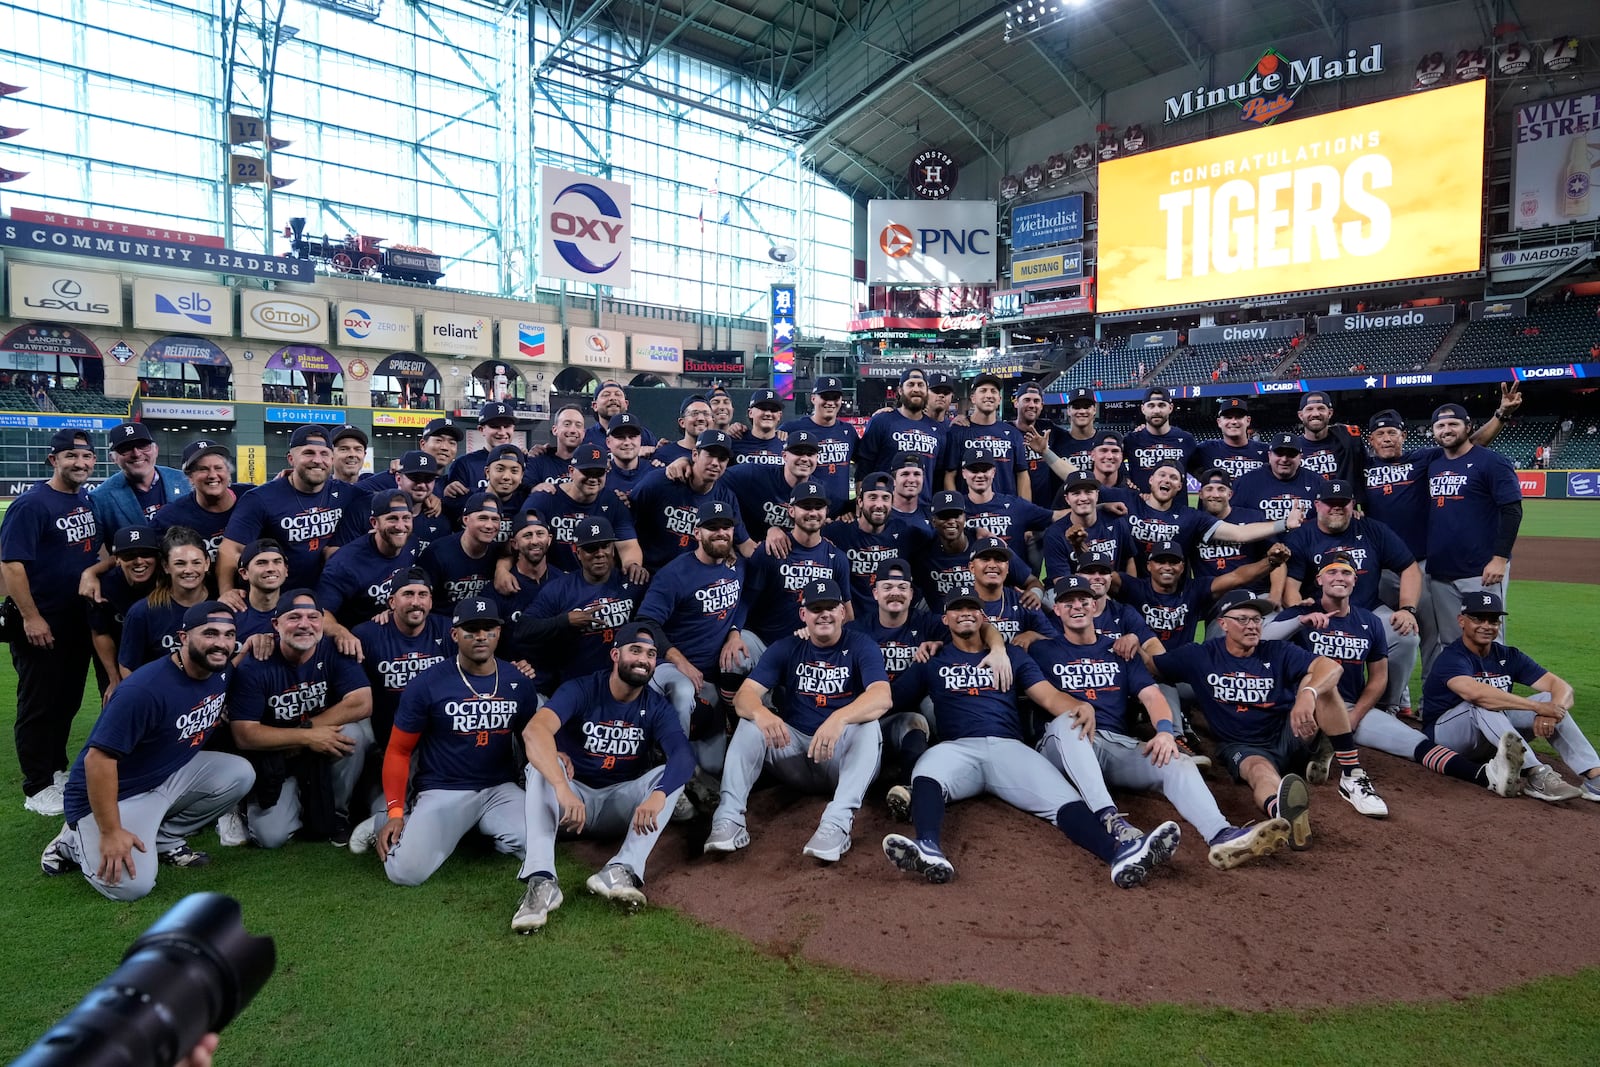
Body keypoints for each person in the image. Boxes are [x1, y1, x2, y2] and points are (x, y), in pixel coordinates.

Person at [880, 584, 1181, 887]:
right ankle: (928, 847)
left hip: (1010, 749)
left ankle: (1119, 854)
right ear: (945, 619)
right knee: (926, 773)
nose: (965, 614)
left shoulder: (1011, 655)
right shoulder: (932, 660)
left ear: (983, 616)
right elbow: (891, 699)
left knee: (1065, 800)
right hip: (958, 749)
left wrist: (1078, 705)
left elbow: (1048, 697)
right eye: (956, 609)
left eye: (971, 608)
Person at [1031, 576, 1290, 870]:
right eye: (1068, 602)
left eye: (1083, 600)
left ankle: (1221, 833)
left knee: (1177, 762)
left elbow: (1153, 696)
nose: (1076, 606)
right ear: (1057, 610)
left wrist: (1166, 733)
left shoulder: (1119, 651)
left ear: (1094, 606)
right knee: (1069, 721)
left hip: (1112, 744)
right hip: (1062, 746)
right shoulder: (1042, 650)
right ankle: (1110, 821)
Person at [40, 602, 256, 901]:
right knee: (131, 886)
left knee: (239, 773)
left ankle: (165, 838)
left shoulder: (219, 670)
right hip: (113, 794)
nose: (221, 643)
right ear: (183, 638)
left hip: (162, 777)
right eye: (210, 633)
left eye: (229, 634)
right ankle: (71, 842)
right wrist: (111, 831)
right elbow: (97, 760)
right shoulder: (145, 689)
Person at [1266, 556, 1523, 799]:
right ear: (1319, 579)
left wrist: (1353, 718)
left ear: (1355, 580)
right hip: (1304, 707)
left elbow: (1378, 678)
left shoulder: (1369, 621)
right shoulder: (1300, 613)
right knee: (1286, 758)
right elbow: (1263, 640)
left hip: (1348, 709)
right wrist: (1300, 621)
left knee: (1415, 742)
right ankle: (1316, 751)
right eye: (1331, 572)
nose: (1339, 578)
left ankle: (1485, 776)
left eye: (1346, 573)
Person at [1152, 590, 1389, 853]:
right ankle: (1285, 815)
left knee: (1322, 685)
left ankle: (1352, 774)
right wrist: (1130, 641)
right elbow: (1152, 667)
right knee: (1259, 772)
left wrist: (1308, 695)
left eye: (1256, 620)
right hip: (1243, 746)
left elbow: (1332, 666)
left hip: (1291, 731)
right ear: (1223, 624)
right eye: (1242, 619)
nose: (1252, 626)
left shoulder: (1277, 650)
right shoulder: (1199, 655)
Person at [513, 621, 692, 930]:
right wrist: (562, 786)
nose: (643, 660)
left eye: (650, 654)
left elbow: (683, 756)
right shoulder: (582, 688)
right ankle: (541, 882)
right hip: (570, 805)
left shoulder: (656, 706)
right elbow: (534, 731)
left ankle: (621, 869)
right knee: (540, 769)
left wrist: (659, 794)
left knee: (667, 776)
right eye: (635, 651)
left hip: (618, 804)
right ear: (615, 655)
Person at [705, 578, 891, 861]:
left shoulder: (860, 645)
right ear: (804, 615)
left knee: (868, 727)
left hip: (839, 758)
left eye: (831, 607)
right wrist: (762, 713)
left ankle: (836, 824)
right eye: (816, 608)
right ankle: (729, 818)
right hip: (796, 756)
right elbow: (744, 696)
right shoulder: (787, 646)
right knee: (750, 722)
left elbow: (881, 696)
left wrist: (839, 718)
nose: (824, 614)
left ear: (843, 612)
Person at [351, 597, 534, 885]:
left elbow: (530, 742)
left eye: (489, 629)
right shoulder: (428, 683)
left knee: (537, 841)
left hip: (500, 788)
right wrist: (395, 812)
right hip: (444, 789)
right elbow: (399, 751)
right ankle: (383, 823)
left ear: (499, 633)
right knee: (405, 873)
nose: (481, 636)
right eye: (471, 629)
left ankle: (472, 830)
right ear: (454, 635)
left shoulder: (518, 682)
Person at [1, 427, 101, 816]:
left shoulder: (86, 500)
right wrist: (31, 617)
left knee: (66, 701)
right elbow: (11, 565)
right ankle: (36, 784)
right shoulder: (32, 505)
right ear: (53, 460)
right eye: (71, 457)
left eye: (86, 457)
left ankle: (55, 769)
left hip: (76, 622)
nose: (80, 463)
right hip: (42, 623)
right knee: (39, 704)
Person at [1421, 590, 1600, 803]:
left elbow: (1561, 686)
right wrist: (1536, 708)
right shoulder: (1452, 657)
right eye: (1478, 618)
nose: (1487, 626)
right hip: (1447, 738)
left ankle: (1594, 776)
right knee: (1483, 704)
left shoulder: (1508, 655)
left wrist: (1551, 711)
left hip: (1492, 734)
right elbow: (1475, 693)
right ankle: (1536, 774)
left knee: (1548, 699)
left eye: (1493, 620)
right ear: (1462, 621)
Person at [228, 589, 373, 847]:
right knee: (270, 837)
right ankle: (246, 804)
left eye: (313, 617)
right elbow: (244, 734)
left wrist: (309, 731)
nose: (305, 625)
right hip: (275, 754)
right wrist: (305, 737)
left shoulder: (333, 649)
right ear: (276, 624)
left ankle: (338, 812)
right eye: (294, 617)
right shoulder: (256, 663)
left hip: (314, 744)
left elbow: (362, 702)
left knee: (354, 735)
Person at [1282, 479, 1422, 715]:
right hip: (1320, 614)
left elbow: (1409, 567)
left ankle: (1387, 705)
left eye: (1343, 503)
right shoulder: (1302, 536)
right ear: (1317, 505)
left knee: (1405, 635)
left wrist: (1407, 609)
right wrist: (1300, 611)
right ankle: (1295, 704)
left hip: (1367, 610)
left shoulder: (1372, 530)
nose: (1336, 507)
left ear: (1353, 505)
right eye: (1330, 503)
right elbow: (1291, 586)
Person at [637, 501, 752, 777]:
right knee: (683, 691)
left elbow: (745, 600)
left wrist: (735, 631)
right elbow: (646, 622)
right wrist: (680, 661)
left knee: (714, 766)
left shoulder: (737, 565)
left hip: (708, 677)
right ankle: (669, 774)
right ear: (697, 532)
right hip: (671, 668)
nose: (721, 532)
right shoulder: (674, 574)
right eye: (712, 527)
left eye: (726, 527)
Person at [1420, 403, 1523, 674]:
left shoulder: (1492, 462)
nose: (1446, 430)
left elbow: (1512, 511)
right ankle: (1455, 703)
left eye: (1453, 424)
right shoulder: (1433, 462)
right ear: (1433, 432)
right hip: (1441, 572)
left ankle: (1492, 702)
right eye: (1440, 426)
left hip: (1482, 570)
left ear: (1468, 427)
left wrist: (1500, 559)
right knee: (1450, 641)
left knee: (1487, 639)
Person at [515, 516, 644, 696]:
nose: (599, 553)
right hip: (578, 685)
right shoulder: (560, 588)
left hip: (625, 683)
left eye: (605, 546)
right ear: (578, 552)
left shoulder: (633, 581)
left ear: (613, 549)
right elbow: (522, 629)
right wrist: (564, 621)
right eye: (591, 548)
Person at [218, 425, 351, 595]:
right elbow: (231, 549)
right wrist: (226, 592)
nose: (317, 460)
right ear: (291, 459)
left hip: (323, 595)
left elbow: (382, 498)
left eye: (324, 454)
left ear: (332, 460)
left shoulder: (346, 493)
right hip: (274, 598)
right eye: (308, 453)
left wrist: (394, 467)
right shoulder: (261, 498)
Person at [740, 481, 852, 661]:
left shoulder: (837, 558)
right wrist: (733, 634)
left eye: (818, 507)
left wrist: (820, 629)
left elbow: (847, 614)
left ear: (826, 512)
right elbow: (745, 599)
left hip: (809, 648)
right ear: (792, 511)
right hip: (764, 642)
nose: (813, 512)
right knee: (736, 657)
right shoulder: (770, 550)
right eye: (806, 507)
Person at [350, 566, 452, 751]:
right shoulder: (366, 635)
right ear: (392, 602)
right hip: (386, 736)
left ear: (430, 601)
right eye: (408, 594)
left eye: (423, 594)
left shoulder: (449, 631)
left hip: (437, 736)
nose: (416, 602)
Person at [629, 429, 755, 573]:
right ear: (695, 455)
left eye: (722, 458)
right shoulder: (659, 481)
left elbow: (744, 544)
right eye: (710, 455)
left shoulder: (726, 497)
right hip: (651, 572)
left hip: (694, 578)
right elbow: (626, 519)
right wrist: (632, 562)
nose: (715, 463)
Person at [315, 489, 419, 644]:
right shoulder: (345, 562)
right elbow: (319, 612)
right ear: (374, 523)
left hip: (397, 631)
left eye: (406, 518)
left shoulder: (410, 542)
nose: (400, 526)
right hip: (358, 638)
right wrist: (340, 632)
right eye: (392, 519)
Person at [525, 442, 642, 575]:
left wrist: (632, 565)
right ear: (571, 471)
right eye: (587, 472)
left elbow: (628, 545)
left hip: (596, 582)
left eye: (599, 473)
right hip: (552, 580)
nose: (593, 479)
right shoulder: (544, 498)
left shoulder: (613, 502)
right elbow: (523, 540)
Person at [912, 490, 1038, 612]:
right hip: (943, 625)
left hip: (988, 620)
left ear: (964, 518)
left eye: (956, 515)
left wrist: (1035, 593)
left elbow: (1033, 581)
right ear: (933, 521)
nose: (951, 521)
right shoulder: (924, 553)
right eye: (944, 516)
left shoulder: (987, 544)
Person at [118, 526, 212, 675]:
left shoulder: (222, 603)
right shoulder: (142, 612)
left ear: (207, 563)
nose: (189, 570)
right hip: (160, 695)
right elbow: (128, 667)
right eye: (180, 563)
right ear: (166, 566)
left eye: (196, 562)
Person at [823, 471, 916, 616]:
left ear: (892, 502)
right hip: (852, 622)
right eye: (872, 497)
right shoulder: (838, 531)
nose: (879, 505)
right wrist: (774, 530)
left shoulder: (906, 532)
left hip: (890, 622)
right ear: (860, 502)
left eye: (885, 498)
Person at [89, 526, 161, 702]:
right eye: (129, 555)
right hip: (117, 657)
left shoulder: (167, 582)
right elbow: (100, 632)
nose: (139, 561)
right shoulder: (103, 587)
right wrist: (114, 678)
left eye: (146, 554)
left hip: (158, 659)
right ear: (117, 559)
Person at [854, 367, 946, 504]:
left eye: (921, 385)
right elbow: (864, 468)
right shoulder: (881, 421)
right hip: (885, 510)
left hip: (923, 511)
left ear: (927, 391)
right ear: (900, 390)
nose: (916, 389)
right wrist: (861, 504)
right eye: (910, 384)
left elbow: (939, 476)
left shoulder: (938, 430)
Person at [150, 440, 251, 561]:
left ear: (228, 473)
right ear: (190, 477)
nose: (212, 475)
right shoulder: (170, 517)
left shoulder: (251, 498)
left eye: (218, 468)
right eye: (203, 469)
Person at [89, 422, 185, 542]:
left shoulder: (184, 480)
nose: (136, 454)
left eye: (143, 446)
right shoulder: (100, 498)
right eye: (126, 449)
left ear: (156, 449)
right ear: (112, 458)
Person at [940, 373, 1030, 498]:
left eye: (993, 391)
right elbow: (949, 476)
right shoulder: (957, 431)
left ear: (999, 399)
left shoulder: (1013, 434)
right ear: (973, 398)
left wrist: (1024, 512)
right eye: (983, 391)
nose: (988, 395)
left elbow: (1022, 475)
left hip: (1007, 512)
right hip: (970, 512)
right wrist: (957, 511)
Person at [416, 492, 505, 614]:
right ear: (465, 520)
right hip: (443, 622)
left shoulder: (499, 553)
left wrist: (503, 568)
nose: (489, 525)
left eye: (495, 519)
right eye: (482, 518)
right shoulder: (437, 553)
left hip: (482, 623)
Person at [779, 377, 856, 508]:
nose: (830, 402)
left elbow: (865, 461)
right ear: (813, 398)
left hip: (840, 512)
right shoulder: (792, 429)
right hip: (808, 508)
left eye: (835, 397)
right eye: (825, 397)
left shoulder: (848, 431)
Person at [1232, 434, 1322, 521]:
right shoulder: (1246, 482)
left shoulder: (1317, 482)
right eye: (1279, 453)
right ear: (1269, 455)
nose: (1284, 459)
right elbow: (1233, 517)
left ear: (1300, 457)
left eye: (1291, 454)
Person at [1121, 387, 1197, 491]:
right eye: (1151, 406)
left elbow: (1200, 471)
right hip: (1139, 505)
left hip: (1177, 506)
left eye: (1161, 405)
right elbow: (1114, 463)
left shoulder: (1186, 440)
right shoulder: (1131, 440)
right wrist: (1125, 478)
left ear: (1170, 408)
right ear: (1143, 409)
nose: (1156, 411)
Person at [441, 401, 520, 497]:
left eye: (507, 426)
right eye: (495, 426)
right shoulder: (464, 464)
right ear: (481, 429)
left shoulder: (525, 461)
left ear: (513, 429)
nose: (502, 432)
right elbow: (456, 502)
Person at [1292, 391, 1365, 490]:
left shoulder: (1348, 439)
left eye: (1321, 408)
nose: (1316, 414)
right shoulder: (1292, 449)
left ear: (1330, 413)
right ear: (1300, 415)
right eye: (1309, 409)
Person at [1191, 398, 1268, 480]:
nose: (1234, 421)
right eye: (1228, 417)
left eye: (1239, 417)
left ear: (1248, 421)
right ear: (1219, 422)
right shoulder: (1206, 449)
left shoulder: (1265, 451)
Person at [583, 380, 657, 454]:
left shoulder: (644, 435)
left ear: (626, 404)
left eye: (618, 394)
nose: (613, 398)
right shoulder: (585, 437)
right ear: (594, 406)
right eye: (606, 395)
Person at [524, 404, 586, 487]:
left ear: (584, 433)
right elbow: (526, 492)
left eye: (578, 425)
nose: (573, 430)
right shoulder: (538, 461)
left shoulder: (590, 464)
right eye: (567, 424)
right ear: (555, 430)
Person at [653, 394, 714, 469]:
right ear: (682, 422)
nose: (701, 418)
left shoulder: (721, 454)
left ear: (713, 421)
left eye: (706, 414)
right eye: (694, 414)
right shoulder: (664, 453)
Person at [731, 388, 786, 465]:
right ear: (750, 413)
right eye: (763, 408)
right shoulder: (735, 441)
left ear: (779, 416)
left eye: (773, 410)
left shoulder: (788, 446)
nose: (768, 413)